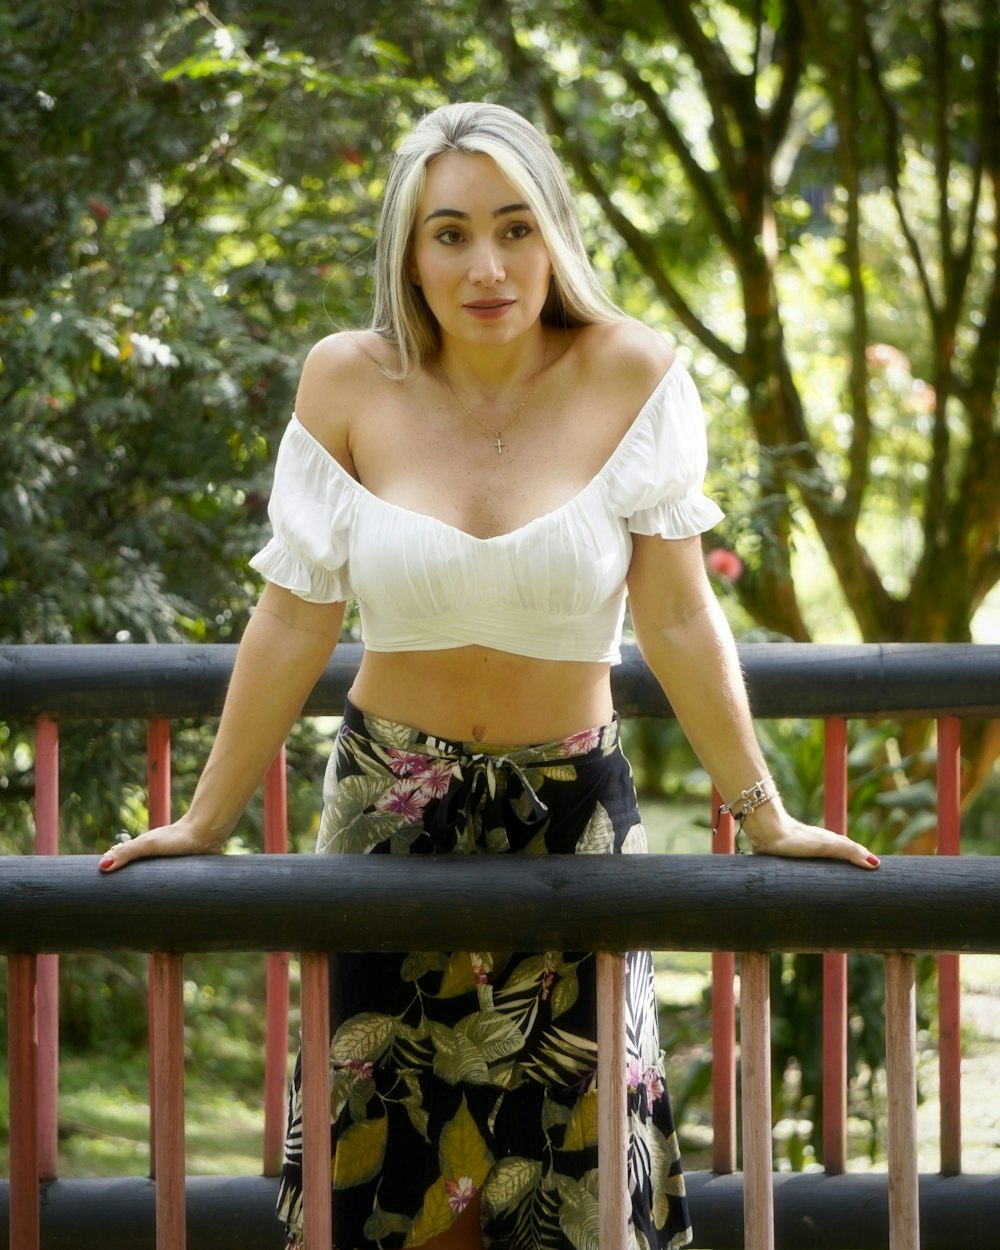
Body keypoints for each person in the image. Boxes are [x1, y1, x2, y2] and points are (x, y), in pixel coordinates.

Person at [99, 101, 880, 1250]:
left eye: (514, 228)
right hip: (384, 821)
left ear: (554, 232)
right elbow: (291, 615)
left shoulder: (633, 371)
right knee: (378, 1193)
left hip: (572, 826)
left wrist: (763, 816)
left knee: (577, 1191)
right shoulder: (346, 380)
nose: (486, 265)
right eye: (449, 233)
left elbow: (675, 613)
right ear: (408, 254)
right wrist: (206, 818)